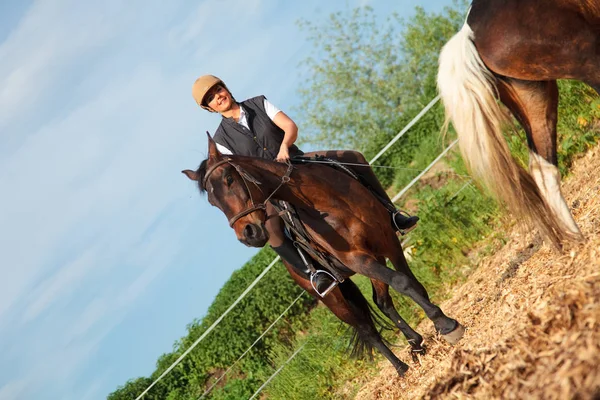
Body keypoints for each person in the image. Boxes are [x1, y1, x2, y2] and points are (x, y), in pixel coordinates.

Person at [192, 75, 419, 295]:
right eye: (211, 98)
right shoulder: (221, 141)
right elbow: (238, 173)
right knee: (274, 234)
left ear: (225, 88)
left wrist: (284, 148)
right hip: (271, 189)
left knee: (355, 157)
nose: (218, 96)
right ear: (210, 108)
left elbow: (290, 126)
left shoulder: (258, 103)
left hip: (296, 161)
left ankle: (393, 215)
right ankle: (315, 273)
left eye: (218, 90)